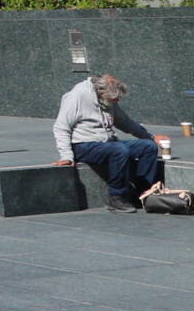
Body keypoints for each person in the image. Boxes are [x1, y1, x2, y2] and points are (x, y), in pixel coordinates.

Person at [55, 73, 167, 212]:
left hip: (108, 143)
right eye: (114, 99)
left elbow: (125, 122)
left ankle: (143, 193)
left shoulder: (108, 99)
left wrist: (150, 137)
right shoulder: (76, 96)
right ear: (102, 93)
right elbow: (61, 127)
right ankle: (116, 197)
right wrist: (66, 156)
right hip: (83, 145)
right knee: (119, 150)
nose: (116, 102)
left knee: (148, 147)